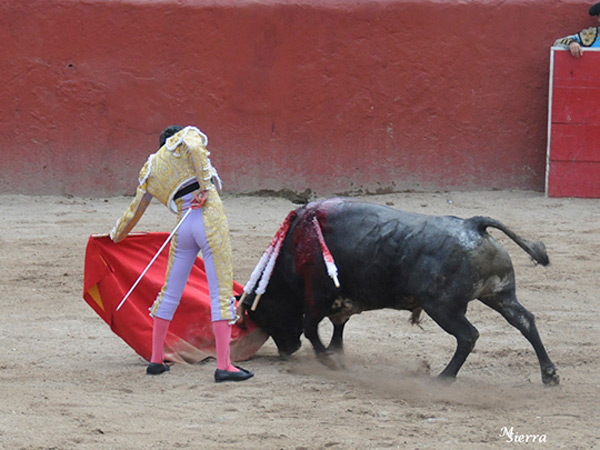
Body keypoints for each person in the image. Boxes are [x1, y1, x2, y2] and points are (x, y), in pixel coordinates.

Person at [110, 125, 253, 382]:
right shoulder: (186, 137)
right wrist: (206, 186)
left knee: (170, 291)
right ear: (173, 140)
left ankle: (156, 360)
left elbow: (134, 211)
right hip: (208, 217)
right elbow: (196, 147)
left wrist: (114, 237)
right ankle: (224, 365)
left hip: (183, 224)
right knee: (219, 292)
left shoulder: (151, 169)